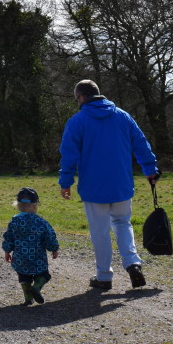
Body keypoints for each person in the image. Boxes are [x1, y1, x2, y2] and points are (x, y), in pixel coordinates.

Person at [59, 80, 160, 291]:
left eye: (77, 98)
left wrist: (66, 181)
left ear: (82, 97)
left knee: (100, 231)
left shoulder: (77, 121)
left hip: (94, 188)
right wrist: (150, 169)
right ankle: (133, 264)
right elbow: (141, 143)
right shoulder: (123, 116)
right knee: (123, 223)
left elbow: (69, 154)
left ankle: (104, 276)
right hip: (121, 184)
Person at [2, 187, 59, 305]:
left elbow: (9, 237)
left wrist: (7, 251)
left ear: (18, 205)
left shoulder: (14, 221)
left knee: (23, 276)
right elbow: (49, 236)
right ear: (35, 205)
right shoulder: (41, 222)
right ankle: (36, 287)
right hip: (38, 257)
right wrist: (54, 248)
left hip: (20, 257)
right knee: (43, 274)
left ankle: (28, 298)